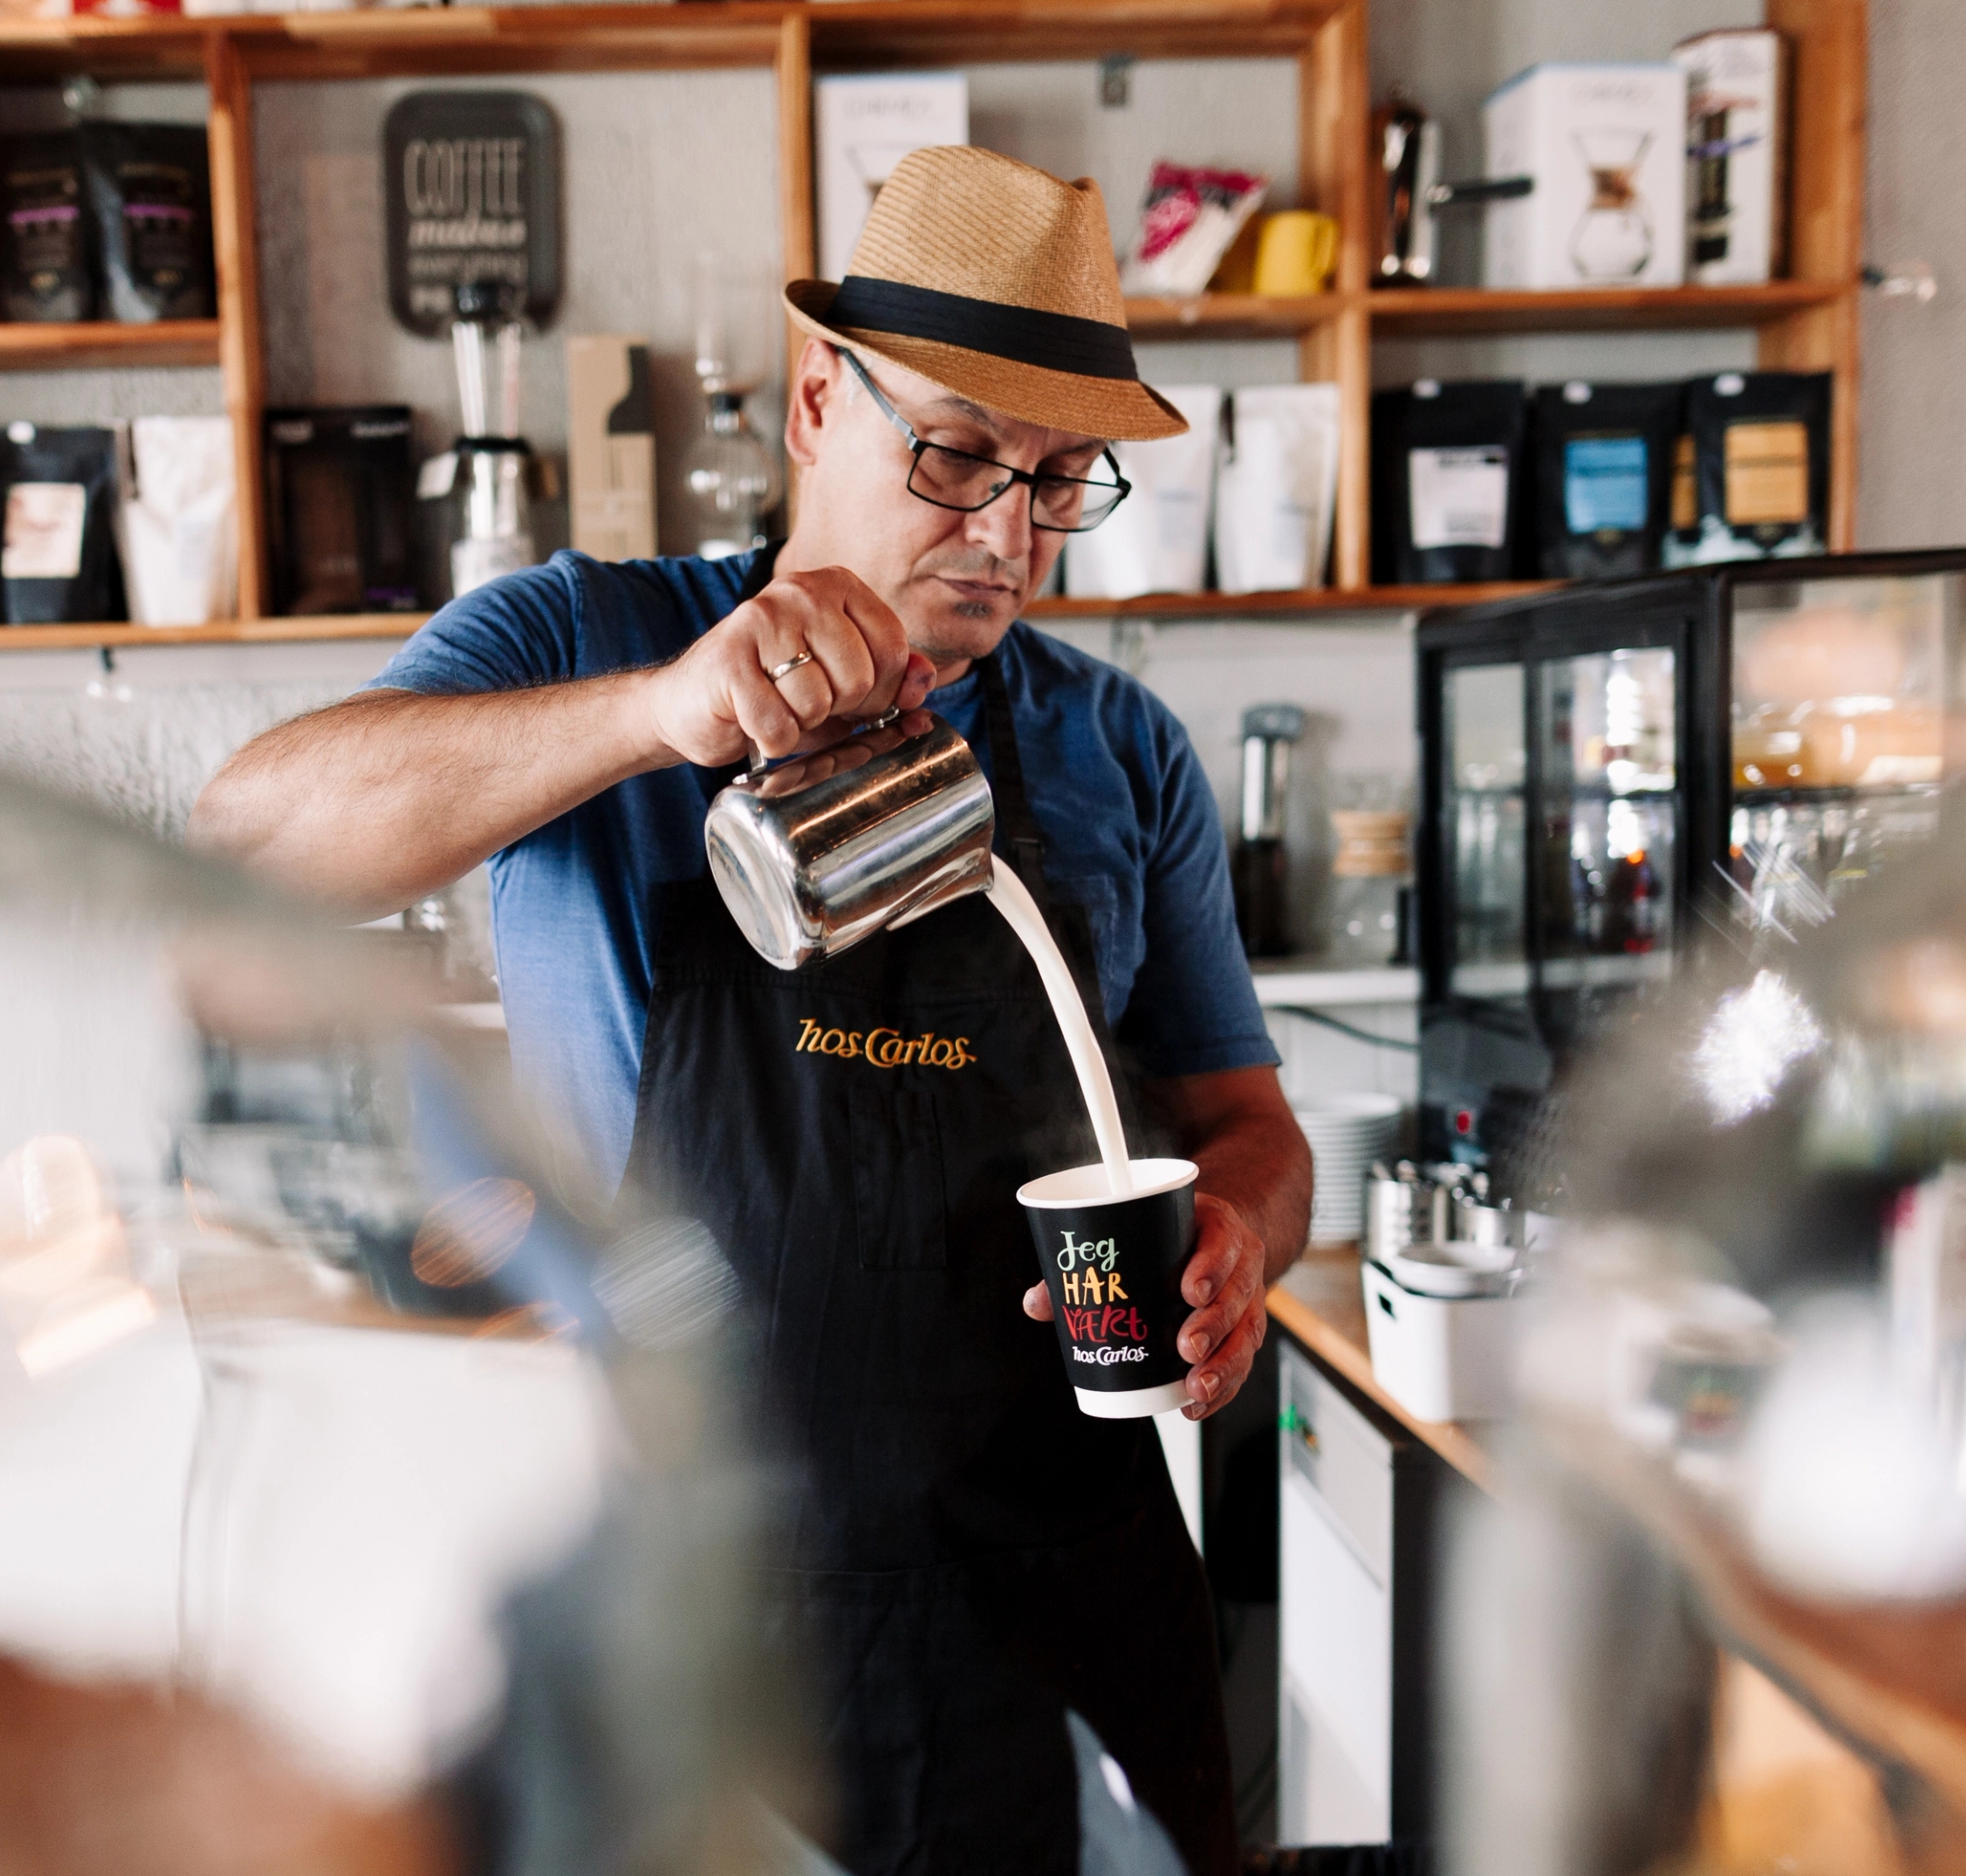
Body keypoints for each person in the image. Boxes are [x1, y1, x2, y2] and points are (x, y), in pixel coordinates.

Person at [195, 146, 1309, 1876]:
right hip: (685, 1606)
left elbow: (1253, 1123)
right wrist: (655, 714)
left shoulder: (1122, 755)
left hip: (1059, 1601)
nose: (1006, 532)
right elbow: (245, 849)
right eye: (954, 452)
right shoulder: (581, 638)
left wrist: (1244, 1234)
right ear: (815, 401)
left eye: (1059, 480)